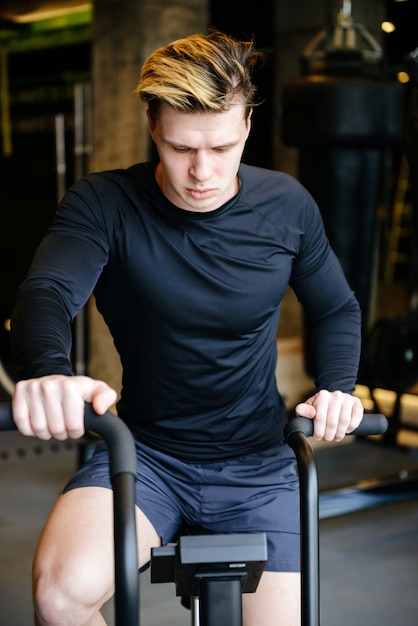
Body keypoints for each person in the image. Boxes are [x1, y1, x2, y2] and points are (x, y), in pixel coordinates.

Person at [10, 30, 364, 626]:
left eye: (222, 148)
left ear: (248, 125)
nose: (202, 172)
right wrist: (48, 371)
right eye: (181, 148)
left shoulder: (288, 205)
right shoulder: (105, 203)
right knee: (59, 594)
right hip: (147, 454)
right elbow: (46, 292)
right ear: (153, 126)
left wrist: (337, 387)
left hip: (259, 463)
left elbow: (335, 307)